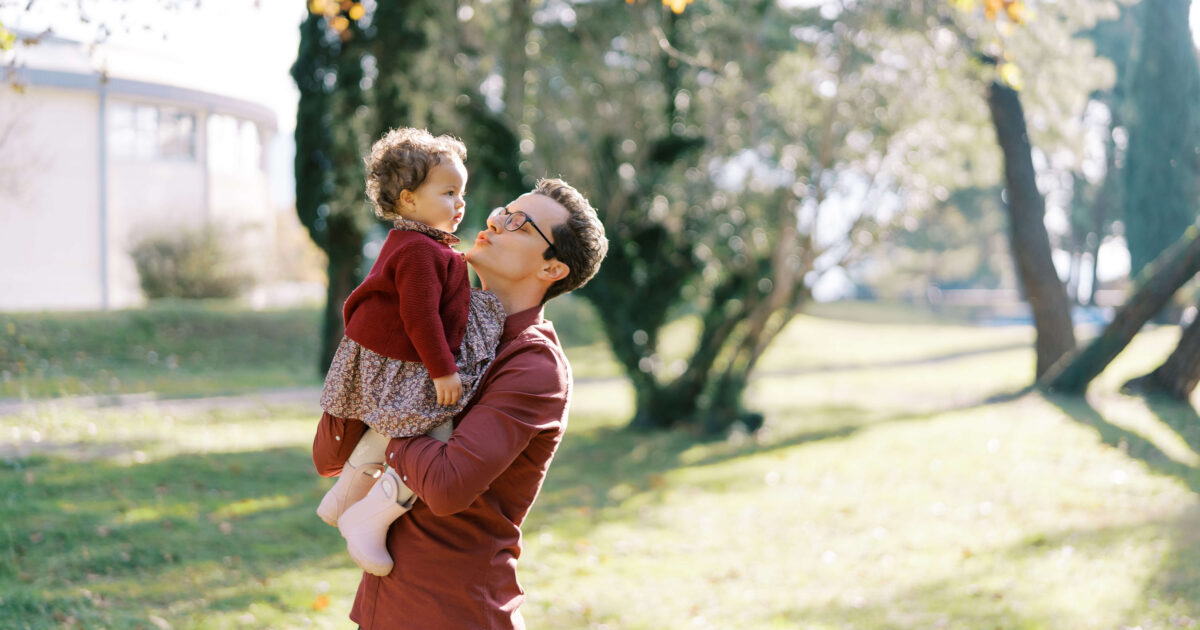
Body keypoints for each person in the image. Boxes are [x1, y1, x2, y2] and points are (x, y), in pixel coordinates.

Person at [312, 177, 608, 629]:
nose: (494, 221)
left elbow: (448, 484)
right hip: (384, 602)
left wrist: (388, 427)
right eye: (502, 211)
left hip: (457, 611)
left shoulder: (534, 365)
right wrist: (370, 348)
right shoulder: (432, 323)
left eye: (520, 224)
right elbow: (330, 456)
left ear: (552, 269)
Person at [315, 127, 507, 577]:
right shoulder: (421, 251)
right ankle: (368, 518)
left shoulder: (421, 245)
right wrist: (443, 371)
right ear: (407, 200)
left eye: (462, 192)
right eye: (448, 192)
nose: (460, 203)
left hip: (395, 359)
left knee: (389, 428)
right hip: (406, 362)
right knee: (435, 437)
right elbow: (420, 316)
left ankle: (344, 496)